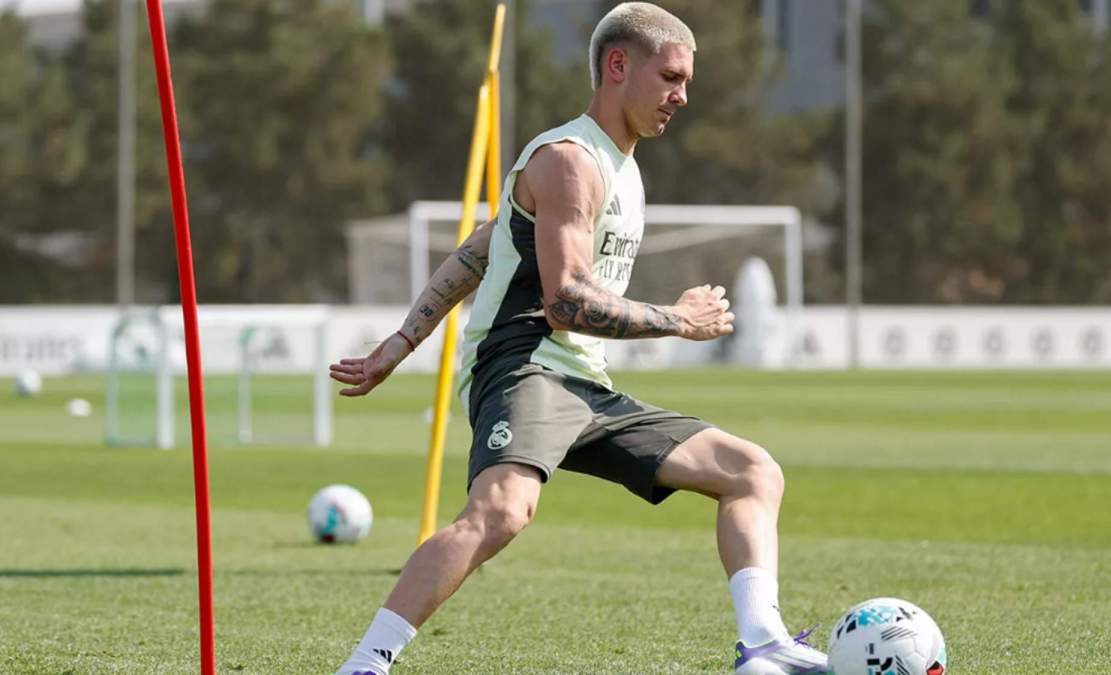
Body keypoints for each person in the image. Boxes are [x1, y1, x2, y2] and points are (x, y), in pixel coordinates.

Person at [328, 3, 829, 674]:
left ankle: (763, 644)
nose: (683, 96)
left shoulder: (624, 167)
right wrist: (679, 319)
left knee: (752, 470)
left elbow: (481, 249)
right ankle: (365, 664)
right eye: (671, 77)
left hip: (585, 384)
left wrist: (399, 341)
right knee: (502, 511)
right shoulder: (569, 159)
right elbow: (563, 302)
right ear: (618, 65)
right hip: (525, 366)